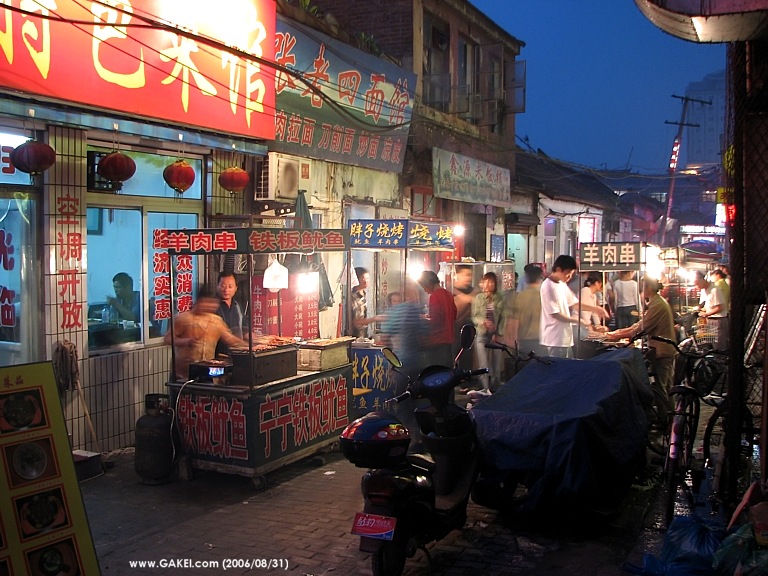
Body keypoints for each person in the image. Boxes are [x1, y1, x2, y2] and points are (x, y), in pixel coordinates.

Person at [605, 277, 677, 393]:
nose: (641, 290)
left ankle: (664, 406)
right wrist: (618, 332)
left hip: (662, 350)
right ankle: (668, 405)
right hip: (663, 349)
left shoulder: (657, 305)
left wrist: (616, 336)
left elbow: (641, 329)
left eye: (643, 287)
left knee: (661, 388)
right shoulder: (656, 302)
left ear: (649, 288)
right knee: (665, 387)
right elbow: (639, 325)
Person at [163, 290, 249, 381]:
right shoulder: (184, 318)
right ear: (199, 301)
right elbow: (167, 339)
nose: (211, 306)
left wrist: (249, 346)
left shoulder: (216, 321)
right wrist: (186, 341)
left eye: (213, 304)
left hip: (206, 370)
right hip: (183, 371)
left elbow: (230, 339)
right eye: (208, 302)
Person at [539, 255, 607, 358]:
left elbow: (574, 304)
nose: (569, 277)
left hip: (565, 337)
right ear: (558, 269)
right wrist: (578, 320)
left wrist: (596, 309)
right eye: (568, 274)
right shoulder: (548, 286)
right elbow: (555, 314)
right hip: (555, 339)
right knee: (559, 366)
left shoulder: (561, 284)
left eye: (571, 274)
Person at [417, 270, 457, 367]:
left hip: (437, 341)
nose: (425, 290)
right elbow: (454, 314)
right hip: (448, 339)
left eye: (424, 287)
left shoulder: (434, 296)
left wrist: (423, 320)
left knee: (436, 371)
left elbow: (435, 320)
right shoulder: (448, 294)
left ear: (429, 284)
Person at [471, 272, 503, 391]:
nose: (488, 284)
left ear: (495, 284)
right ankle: (485, 388)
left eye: (491, 281)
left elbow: (503, 317)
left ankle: (495, 388)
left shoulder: (500, 297)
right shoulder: (478, 298)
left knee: (496, 364)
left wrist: (498, 333)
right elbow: (474, 316)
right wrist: (483, 321)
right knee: (483, 364)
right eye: (486, 281)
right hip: (481, 334)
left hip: (496, 335)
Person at [505, 265, 545, 358]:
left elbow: (513, 321)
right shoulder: (545, 297)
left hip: (523, 340)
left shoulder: (518, 297)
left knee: (525, 364)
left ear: (526, 279)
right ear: (540, 279)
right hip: (542, 340)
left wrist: (511, 339)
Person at [696, 270, 729, 351]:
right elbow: (704, 303)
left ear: (702, 279)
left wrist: (706, 314)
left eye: (697, 283)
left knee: (718, 348)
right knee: (709, 346)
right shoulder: (703, 290)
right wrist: (700, 308)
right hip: (709, 320)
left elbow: (721, 307)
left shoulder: (715, 289)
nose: (696, 286)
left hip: (718, 321)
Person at [215, 272, 246, 356]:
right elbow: (222, 335)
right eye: (223, 286)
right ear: (217, 286)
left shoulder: (237, 305)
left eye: (230, 286)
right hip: (219, 355)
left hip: (239, 354)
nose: (226, 290)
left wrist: (258, 340)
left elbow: (244, 329)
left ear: (236, 288)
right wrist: (245, 345)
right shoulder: (213, 306)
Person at [348, 267, 382, 339]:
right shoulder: (352, 297)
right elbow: (356, 322)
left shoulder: (363, 294)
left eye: (367, 278)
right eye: (363, 279)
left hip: (363, 335)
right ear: (356, 280)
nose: (366, 281)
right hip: (354, 337)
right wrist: (374, 319)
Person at [579, 272, 610, 338]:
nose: (604, 287)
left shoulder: (594, 295)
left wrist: (598, 325)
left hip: (586, 325)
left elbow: (594, 312)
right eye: (603, 284)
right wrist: (589, 326)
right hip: (579, 325)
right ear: (597, 283)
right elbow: (582, 309)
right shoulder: (585, 290)